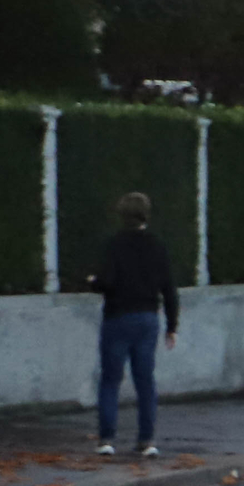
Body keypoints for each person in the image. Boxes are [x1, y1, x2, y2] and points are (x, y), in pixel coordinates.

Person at [88, 191, 178, 458]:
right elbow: (169, 288)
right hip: (148, 318)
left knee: (110, 379)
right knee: (145, 380)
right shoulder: (157, 245)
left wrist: (92, 281)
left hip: (118, 316)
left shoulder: (114, 244)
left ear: (122, 215)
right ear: (146, 215)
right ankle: (146, 440)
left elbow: (106, 282)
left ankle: (106, 439)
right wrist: (172, 325)